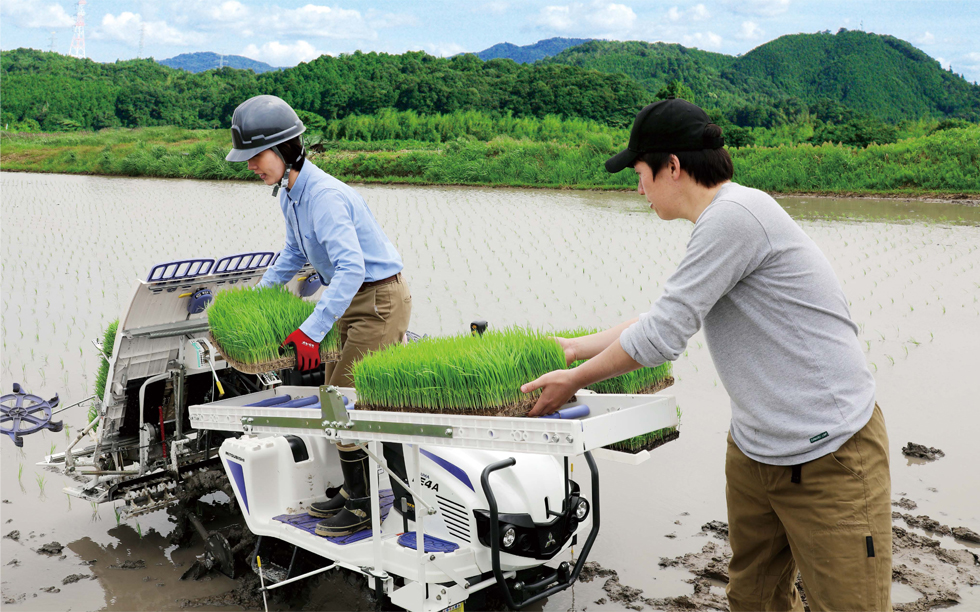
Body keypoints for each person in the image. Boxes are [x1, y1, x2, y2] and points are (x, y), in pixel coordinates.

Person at [521, 98, 891, 611]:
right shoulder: (722, 220)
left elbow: (661, 337)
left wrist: (574, 377)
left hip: (829, 454)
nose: (638, 188)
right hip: (756, 453)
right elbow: (666, 314)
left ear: (673, 166)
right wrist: (573, 347)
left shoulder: (734, 217)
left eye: (640, 173)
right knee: (754, 601)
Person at [226, 94, 414, 537]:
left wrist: (311, 331)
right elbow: (292, 254)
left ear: (287, 149)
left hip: (378, 301)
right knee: (333, 398)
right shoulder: (290, 194)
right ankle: (354, 492)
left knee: (347, 399)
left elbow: (351, 267)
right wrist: (255, 299)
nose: (252, 166)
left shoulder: (325, 196)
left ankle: (370, 502)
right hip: (350, 300)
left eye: (257, 157)